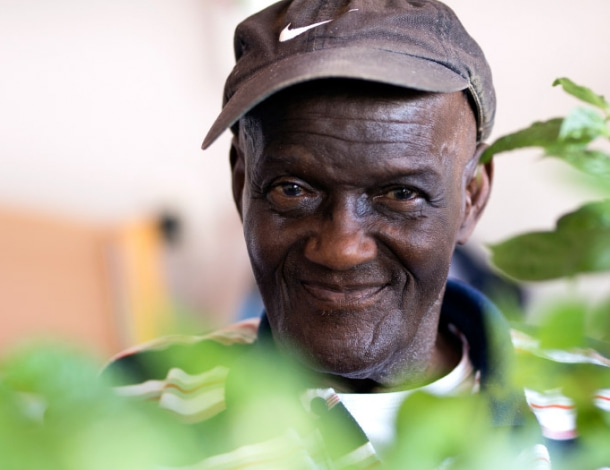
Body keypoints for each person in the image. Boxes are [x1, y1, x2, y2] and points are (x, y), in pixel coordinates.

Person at [105, 1, 609, 468]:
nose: (341, 249)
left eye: (401, 194)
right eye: (293, 189)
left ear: (472, 197)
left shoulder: (597, 404)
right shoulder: (125, 411)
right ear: (241, 182)